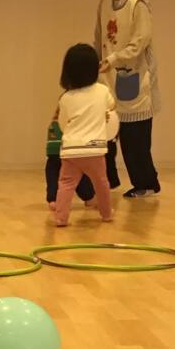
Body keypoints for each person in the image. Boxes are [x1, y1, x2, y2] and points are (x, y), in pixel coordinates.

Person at [95, 0, 161, 198]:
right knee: (105, 131)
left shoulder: (138, 2)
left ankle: (145, 183)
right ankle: (108, 180)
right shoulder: (104, 0)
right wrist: (97, 61)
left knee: (135, 138)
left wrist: (114, 59)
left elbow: (140, 41)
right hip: (107, 74)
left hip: (133, 73)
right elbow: (99, 35)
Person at [53, 43, 115, 227]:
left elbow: (62, 124)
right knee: (101, 183)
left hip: (71, 149)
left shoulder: (65, 98)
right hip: (95, 149)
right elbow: (112, 105)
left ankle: (61, 217)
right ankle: (106, 214)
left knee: (66, 184)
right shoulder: (102, 91)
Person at [45, 113, 95, 210]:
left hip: (53, 155)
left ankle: (53, 200)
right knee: (79, 176)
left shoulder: (53, 124)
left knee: (53, 177)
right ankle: (89, 197)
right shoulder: (71, 123)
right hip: (68, 153)